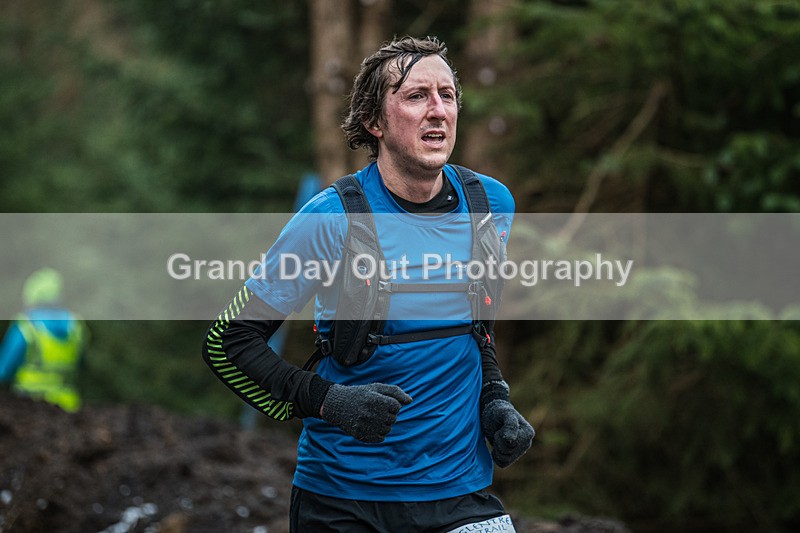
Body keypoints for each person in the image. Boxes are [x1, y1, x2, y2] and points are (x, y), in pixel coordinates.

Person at [203, 36, 534, 532]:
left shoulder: (490, 206)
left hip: (459, 493)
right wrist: (326, 401)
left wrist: (496, 398)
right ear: (374, 122)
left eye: (448, 95)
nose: (438, 111)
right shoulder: (331, 219)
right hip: (343, 501)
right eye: (417, 96)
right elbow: (228, 343)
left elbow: (475, 329)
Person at [0, 267, 88, 412]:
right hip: (68, 407)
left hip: (28, 405)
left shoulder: (26, 326)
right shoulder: (76, 325)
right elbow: (82, 364)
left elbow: (3, 371)